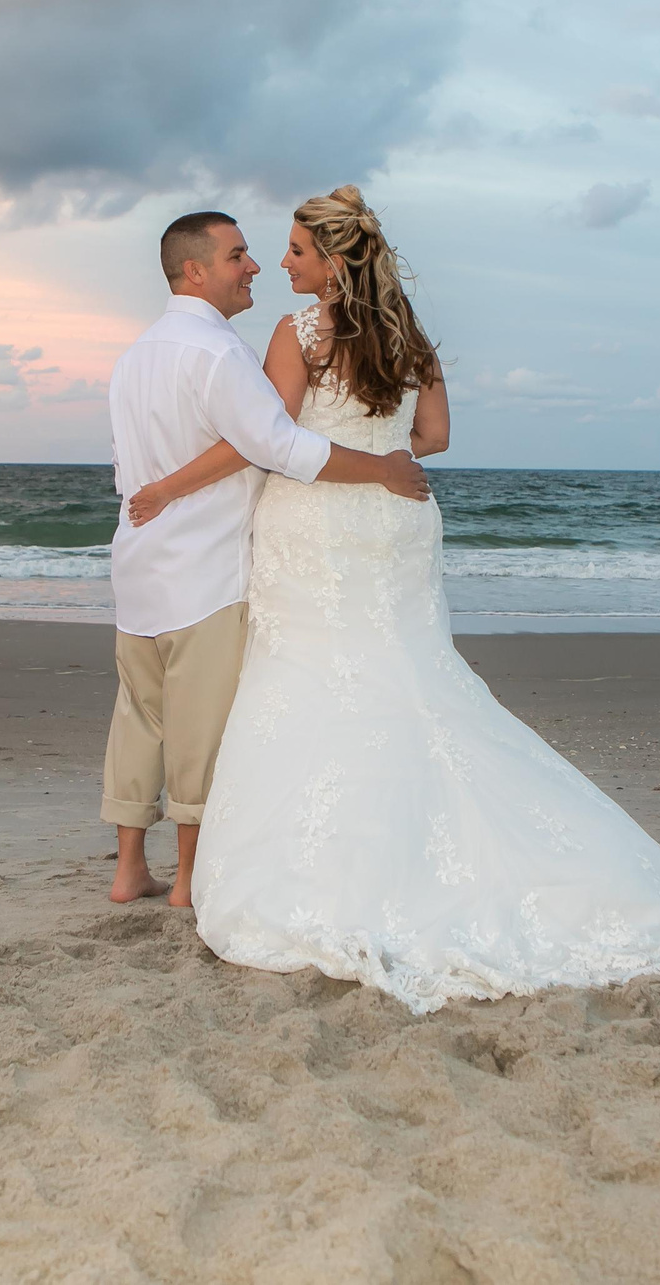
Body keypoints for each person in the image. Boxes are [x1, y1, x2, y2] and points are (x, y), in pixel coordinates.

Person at [123, 186, 660, 1013]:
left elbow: (272, 441)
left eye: (294, 250)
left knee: (315, 677)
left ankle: (336, 863)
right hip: (397, 522)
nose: (281, 263)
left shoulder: (299, 333)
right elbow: (435, 438)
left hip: (317, 525)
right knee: (412, 677)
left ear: (331, 259)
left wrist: (170, 490)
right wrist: (381, 446)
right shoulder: (411, 335)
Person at [102, 209, 432, 907]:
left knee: (140, 714)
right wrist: (379, 471)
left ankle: (129, 867)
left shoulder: (134, 356)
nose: (255, 266)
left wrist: (157, 491)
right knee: (201, 725)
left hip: (137, 565)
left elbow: (128, 469)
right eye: (238, 255)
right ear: (195, 270)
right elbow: (277, 444)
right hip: (205, 569)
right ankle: (187, 881)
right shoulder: (218, 354)